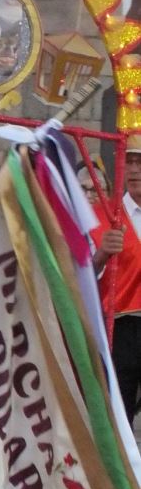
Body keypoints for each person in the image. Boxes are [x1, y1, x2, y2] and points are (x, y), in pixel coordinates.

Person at [89, 136, 141, 422]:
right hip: (119, 327)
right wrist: (101, 255)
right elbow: (79, 276)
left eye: (140, 161)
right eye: (130, 161)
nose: (134, 170)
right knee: (118, 416)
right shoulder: (102, 216)